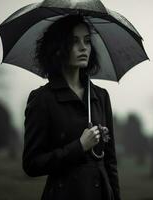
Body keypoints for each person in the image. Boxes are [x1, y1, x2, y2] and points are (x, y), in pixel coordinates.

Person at [22, 15, 121, 200]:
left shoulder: (100, 96)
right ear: (58, 48)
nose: (83, 47)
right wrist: (79, 146)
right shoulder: (42, 99)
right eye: (74, 41)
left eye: (87, 41)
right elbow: (32, 164)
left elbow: (110, 161)